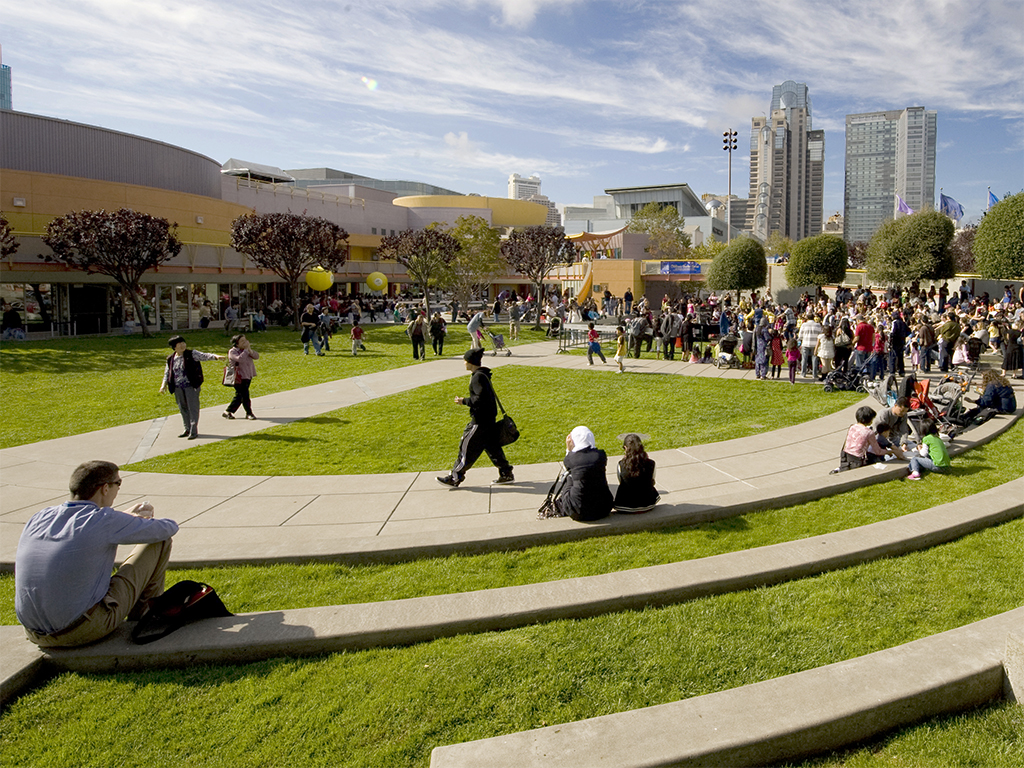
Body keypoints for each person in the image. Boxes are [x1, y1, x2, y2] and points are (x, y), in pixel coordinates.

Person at [15, 461, 178, 648]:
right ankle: (146, 615)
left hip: (33, 632)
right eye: (118, 483)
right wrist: (129, 519)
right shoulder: (104, 520)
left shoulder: (40, 517)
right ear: (105, 488)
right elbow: (167, 528)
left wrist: (123, 517)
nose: (118, 489)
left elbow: (89, 527)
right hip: (79, 629)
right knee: (160, 541)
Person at [437, 348, 514, 488]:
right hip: (489, 420)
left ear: (470, 362)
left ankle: (455, 477)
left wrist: (464, 401)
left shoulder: (477, 377)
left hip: (480, 421)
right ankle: (506, 473)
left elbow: (479, 399)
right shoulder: (483, 375)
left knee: (466, 447)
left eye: (465, 361)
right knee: (492, 447)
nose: (464, 363)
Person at [159, 335, 223, 439]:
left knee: (192, 408)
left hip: (191, 386)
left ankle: (193, 430)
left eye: (183, 343)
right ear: (174, 347)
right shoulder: (170, 359)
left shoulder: (191, 354)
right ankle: (186, 428)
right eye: (179, 344)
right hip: (178, 387)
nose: (182, 345)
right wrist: (163, 385)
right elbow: (167, 372)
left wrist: (215, 357)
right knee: (183, 408)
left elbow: (204, 356)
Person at [550, 426, 613, 521]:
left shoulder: (571, 458)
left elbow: (568, 468)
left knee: (569, 477)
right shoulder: (601, 455)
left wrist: (569, 450)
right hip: (604, 508)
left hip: (578, 512)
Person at [613, 434, 659, 513]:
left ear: (625, 448)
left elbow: (621, 480)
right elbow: (652, 480)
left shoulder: (621, 464)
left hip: (624, 505)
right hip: (648, 504)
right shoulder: (651, 463)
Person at [834, 406, 885, 472]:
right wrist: (891, 451)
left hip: (845, 455)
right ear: (869, 419)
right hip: (857, 460)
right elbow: (878, 451)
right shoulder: (869, 432)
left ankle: (839, 470)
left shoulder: (852, 427)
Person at [223, 334, 259, 420]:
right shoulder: (232, 351)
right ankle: (249, 413)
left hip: (248, 375)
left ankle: (228, 411)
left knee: (240, 396)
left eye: (245, 340)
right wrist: (246, 350)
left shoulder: (246, 351)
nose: (245, 342)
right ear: (236, 344)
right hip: (238, 377)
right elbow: (240, 359)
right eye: (242, 341)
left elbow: (256, 356)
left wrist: (249, 350)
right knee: (245, 395)